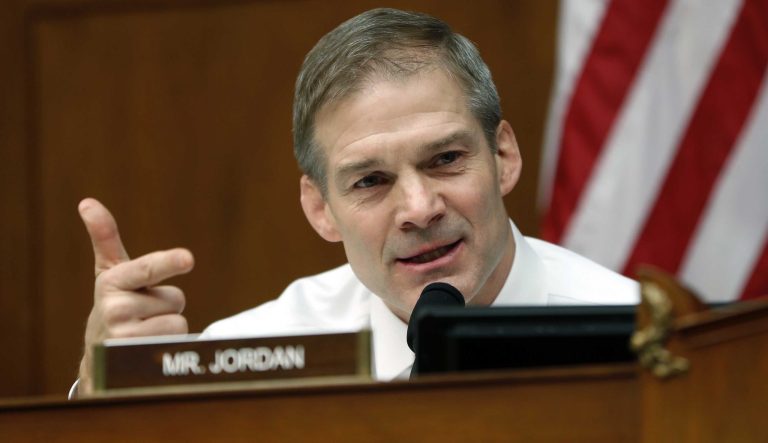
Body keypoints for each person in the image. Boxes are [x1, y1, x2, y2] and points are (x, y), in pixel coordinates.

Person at [72, 8, 638, 396]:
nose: (419, 208)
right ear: (320, 209)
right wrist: (107, 400)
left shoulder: (646, 343)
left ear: (504, 157)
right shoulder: (250, 363)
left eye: (444, 159)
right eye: (370, 181)